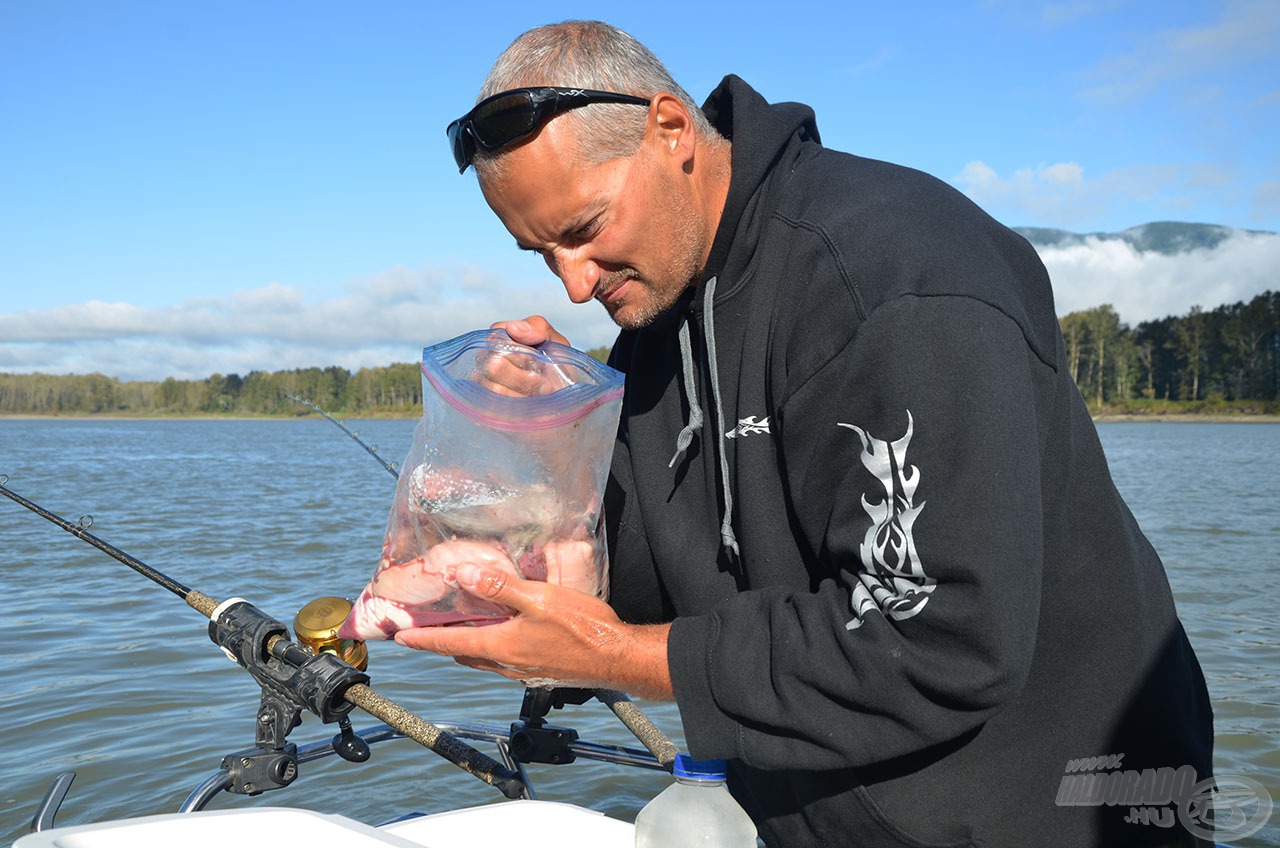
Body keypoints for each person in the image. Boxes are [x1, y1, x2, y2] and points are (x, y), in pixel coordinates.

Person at [396, 20, 1215, 848]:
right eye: (540, 252)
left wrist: (615, 657)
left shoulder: (895, 278)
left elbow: (941, 639)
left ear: (671, 130)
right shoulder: (653, 322)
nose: (573, 283)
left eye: (583, 229)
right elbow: (648, 581)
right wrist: (558, 424)